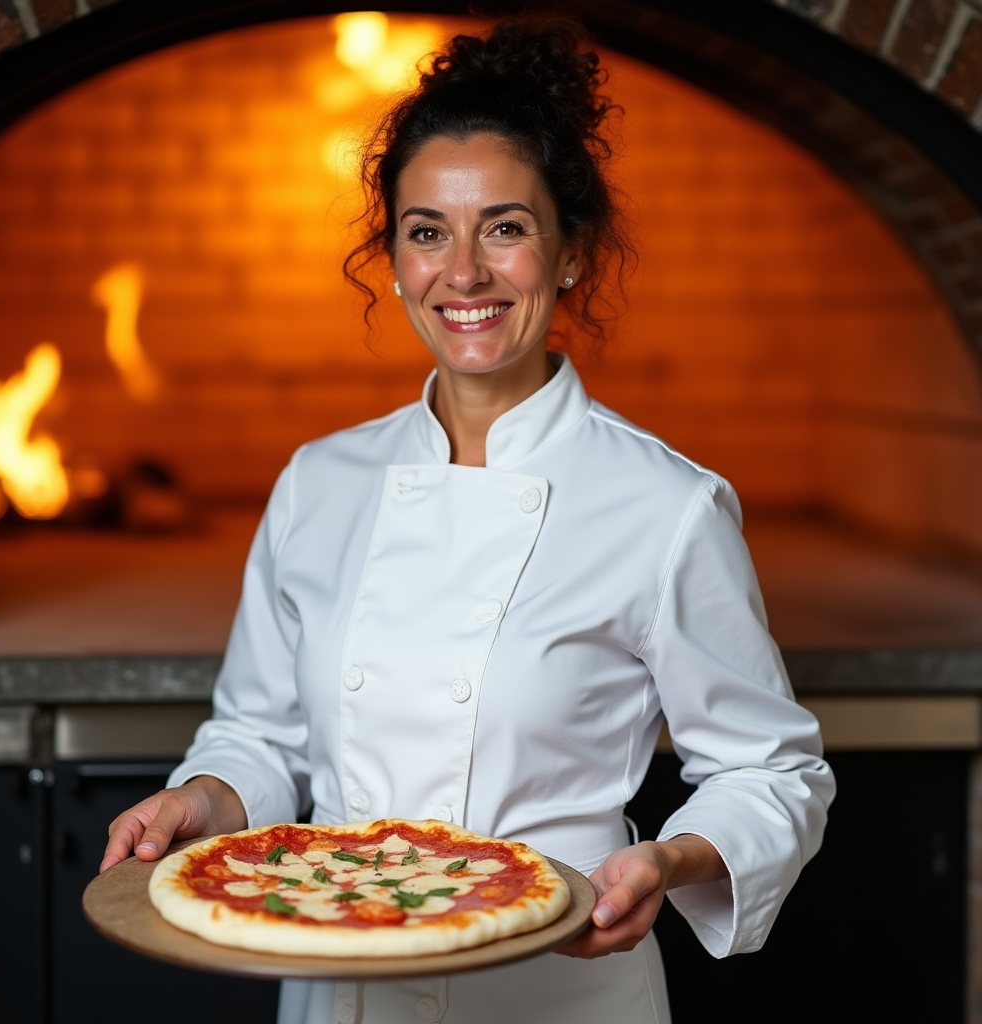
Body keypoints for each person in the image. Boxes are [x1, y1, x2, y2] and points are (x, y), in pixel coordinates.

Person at [102, 17, 835, 1023]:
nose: (464, 273)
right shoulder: (319, 481)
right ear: (393, 259)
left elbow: (771, 770)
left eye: (505, 226)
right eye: (426, 232)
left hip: (561, 982)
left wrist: (666, 859)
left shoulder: (664, 504)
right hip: (336, 972)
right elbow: (260, 740)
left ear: (569, 253)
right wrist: (198, 800)